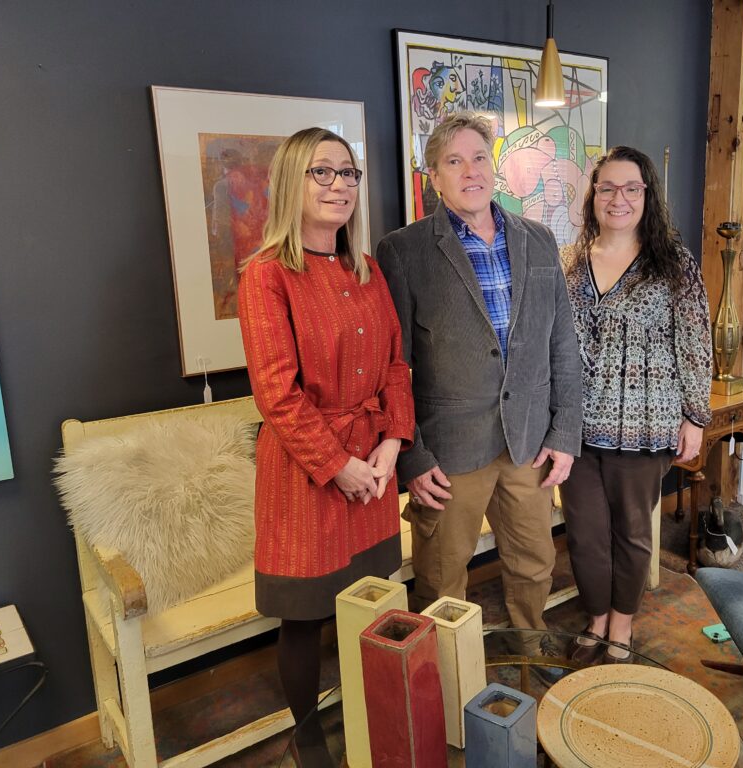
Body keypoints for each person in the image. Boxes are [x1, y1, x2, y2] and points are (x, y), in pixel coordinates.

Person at [377, 113, 582, 675]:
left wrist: (565, 433)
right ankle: (447, 677)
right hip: (448, 454)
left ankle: (530, 652)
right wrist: (413, 456)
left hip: (529, 443)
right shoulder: (403, 250)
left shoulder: (538, 239)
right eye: (454, 161)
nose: (471, 172)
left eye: (479, 158)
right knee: (443, 575)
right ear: (434, 178)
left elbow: (561, 342)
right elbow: (393, 367)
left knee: (535, 562)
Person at [237, 128, 413, 765]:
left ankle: (371, 712)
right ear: (293, 182)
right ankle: (308, 733)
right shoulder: (265, 278)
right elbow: (277, 395)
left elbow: (396, 365)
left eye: (349, 173)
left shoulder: (364, 269)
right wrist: (338, 467)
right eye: (323, 173)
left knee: (368, 598)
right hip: (306, 473)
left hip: (374, 463)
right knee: (305, 615)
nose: (340, 185)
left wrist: (393, 444)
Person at [559, 145, 711, 664]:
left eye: (631, 188)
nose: (618, 198)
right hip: (575, 430)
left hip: (644, 426)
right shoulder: (570, 263)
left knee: (630, 532)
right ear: (593, 195)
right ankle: (595, 615)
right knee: (584, 535)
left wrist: (694, 416)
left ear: (647, 195)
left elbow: (695, 344)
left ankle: (620, 625)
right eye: (607, 188)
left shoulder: (672, 265)